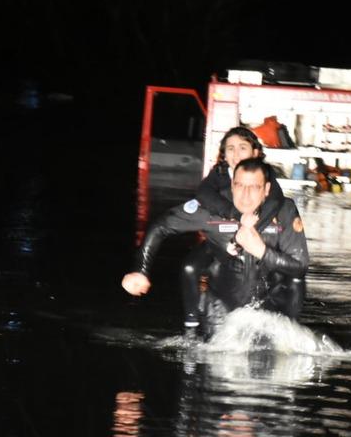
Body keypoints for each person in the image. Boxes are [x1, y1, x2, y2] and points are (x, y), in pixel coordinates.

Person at [121, 158, 308, 336]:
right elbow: (161, 226)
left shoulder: (284, 210)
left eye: (254, 187)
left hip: (270, 311)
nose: (245, 195)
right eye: (240, 185)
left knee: (295, 280)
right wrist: (141, 270)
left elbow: (300, 267)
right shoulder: (212, 209)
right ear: (232, 185)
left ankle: (290, 331)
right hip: (221, 313)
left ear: (266, 189)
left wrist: (262, 251)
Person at [177, 127, 285, 331]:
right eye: (230, 149)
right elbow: (203, 193)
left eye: (242, 148)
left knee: (282, 274)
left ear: (255, 152)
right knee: (189, 268)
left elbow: (275, 202)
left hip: (255, 240)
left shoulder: (265, 173)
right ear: (224, 154)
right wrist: (234, 215)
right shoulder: (219, 173)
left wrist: (248, 231)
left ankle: (276, 324)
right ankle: (190, 326)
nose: (236, 154)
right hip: (221, 239)